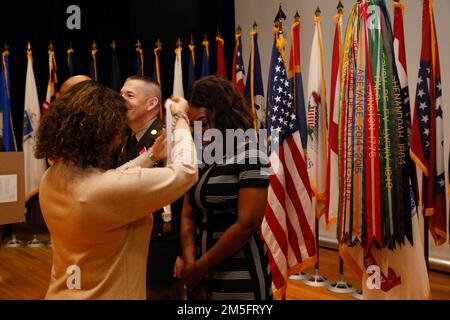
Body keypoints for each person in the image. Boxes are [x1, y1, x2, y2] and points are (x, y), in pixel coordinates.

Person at [35, 80, 197, 299]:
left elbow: (113, 179)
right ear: (101, 133)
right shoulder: (99, 191)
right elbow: (186, 171)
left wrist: (150, 156)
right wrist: (180, 119)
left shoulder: (51, 177)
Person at [181, 76, 272, 300]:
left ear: (223, 114)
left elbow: (247, 223)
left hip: (239, 274)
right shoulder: (200, 154)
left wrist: (200, 266)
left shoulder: (251, 153)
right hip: (200, 277)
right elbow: (188, 214)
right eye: (194, 125)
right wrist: (191, 264)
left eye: (204, 122)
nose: (200, 132)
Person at [118, 75, 185, 300]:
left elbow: (184, 198)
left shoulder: (168, 138)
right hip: (134, 240)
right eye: (121, 94)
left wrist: (183, 253)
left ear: (151, 104)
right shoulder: (126, 139)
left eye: (129, 95)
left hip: (162, 244)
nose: (121, 100)